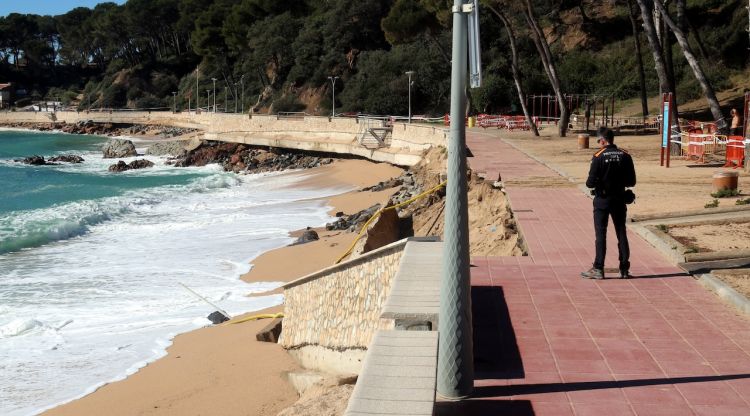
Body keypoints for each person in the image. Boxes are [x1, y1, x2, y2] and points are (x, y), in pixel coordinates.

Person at [581, 127, 636, 280]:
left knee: (601, 234)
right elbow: (632, 181)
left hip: (602, 200)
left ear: (603, 140)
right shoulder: (625, 155)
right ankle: (624, 269)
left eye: (598, 141)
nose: (598, 144)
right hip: (619, 198)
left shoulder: (598, 156)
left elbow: (590, 183)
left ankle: (598, 268)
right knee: (621, 233)